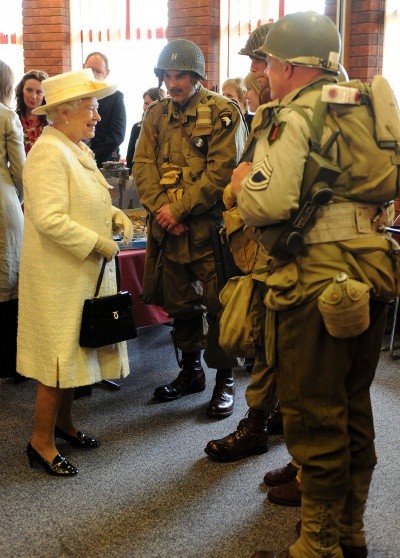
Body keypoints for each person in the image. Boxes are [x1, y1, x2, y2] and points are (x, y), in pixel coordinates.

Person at [230, 12, 399, 558]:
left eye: (269, 63)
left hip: (313, 283)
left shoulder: (294, 114)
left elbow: (267, 202)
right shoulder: (362, 105)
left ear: (286, 65)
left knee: (313, 415)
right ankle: (348, 536)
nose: (265, 73)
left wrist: (238, 187)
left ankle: (316, 548)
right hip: (371, 271)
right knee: (352, 408)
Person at [17, 68, 134, 477]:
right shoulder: (49, 152)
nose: (98, 116)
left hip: (75, 275)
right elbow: (48, 218)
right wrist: (100, 242)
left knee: (72, 355)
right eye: (92, 107)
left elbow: (85, 200)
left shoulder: (73, 147)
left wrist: (114, 213)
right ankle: (40, 442)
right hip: (58, 278)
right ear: (64, 112)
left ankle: (63, 426)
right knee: (55, 363)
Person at [132, 39, 247, 419]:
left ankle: (224, 382)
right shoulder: (156, 115)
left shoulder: (222, 112)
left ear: (197, 76)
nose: (172, 82)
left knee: (220, 306)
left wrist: (179, 209)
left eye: (180, 75)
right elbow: (142, 165)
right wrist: (163, 211)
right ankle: (191, 372)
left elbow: (222, 172)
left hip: (209, 231)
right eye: (167, 75)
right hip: (170, 231)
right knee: (179, 303)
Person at [204, 22, 282, 464]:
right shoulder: (266, 118)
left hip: (280, 252)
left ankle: (257, 423)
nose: (254, 73)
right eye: (253, 62)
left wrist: (236, 191)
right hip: (256, 247)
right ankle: (274, 420)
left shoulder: (293, 120)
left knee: (273, 341)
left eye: (260, 61)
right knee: (266, 338)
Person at [0, 60, 25, 380]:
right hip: (3, 203)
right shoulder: (6, 116)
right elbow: (21, 170)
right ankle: (6, 360)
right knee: (7, 279)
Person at [83, 52, 126, 167]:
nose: (93, 75)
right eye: (90, 70)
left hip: (105, 162)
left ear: (106, 73)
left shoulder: (115, 97)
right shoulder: (75, 96)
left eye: (98, 71)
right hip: (76, 159)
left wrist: (91, 155)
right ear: (83, 68)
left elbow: (117, 135)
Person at [125, 86, 166, 173]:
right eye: (146, 103)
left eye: (151, 104)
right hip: (139, 174)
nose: (147, 107)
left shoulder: (168, 127)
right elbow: (130, 156)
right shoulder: (137, 127)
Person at [15, 69, 48, 154]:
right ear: (21, 91)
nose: (33, 96)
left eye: (39, 92)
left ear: (45, 95)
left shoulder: (52, 121)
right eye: (29, 90)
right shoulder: (13, 119)